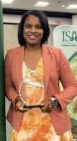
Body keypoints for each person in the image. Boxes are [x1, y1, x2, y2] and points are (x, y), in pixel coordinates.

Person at [5, 10, 77, 141]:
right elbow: (8, 87)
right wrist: (16, 99)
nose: (33, 30)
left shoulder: (57, 54)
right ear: (22, 29)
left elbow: (73, 86)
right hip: (24, 126)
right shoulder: (11, 55)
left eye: (38, 27)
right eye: (28, 26)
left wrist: (54, 101)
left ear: (44, 30)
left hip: (53, 126)